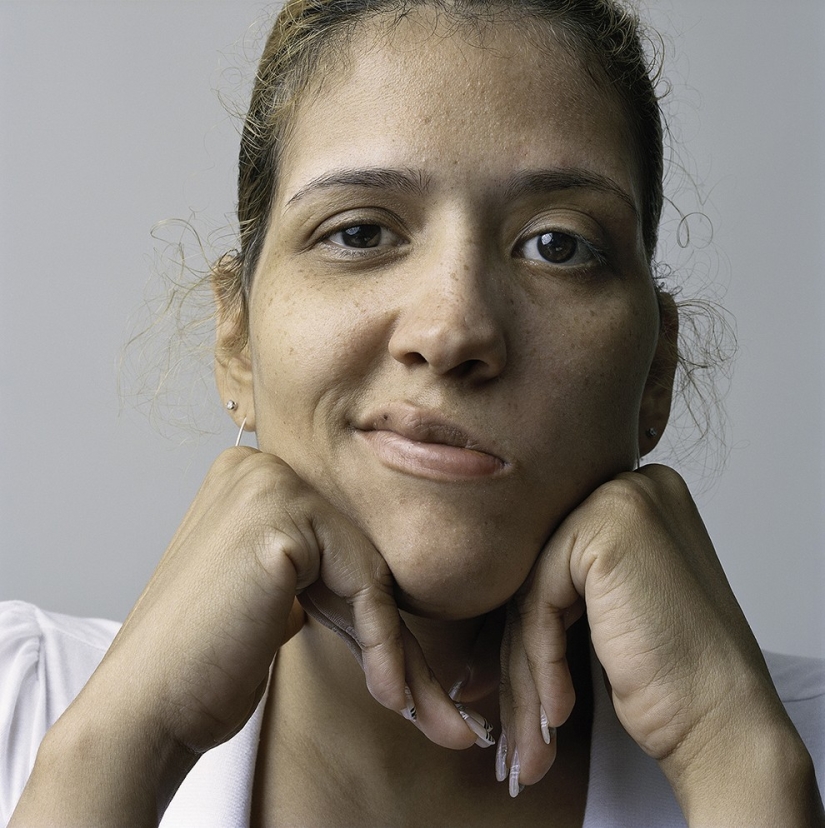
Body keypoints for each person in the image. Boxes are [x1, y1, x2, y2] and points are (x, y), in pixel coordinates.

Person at [3, 0, 823, 825]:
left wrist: (736, 761)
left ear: (655, 372)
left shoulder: (779, 755)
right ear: (238, 340)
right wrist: (112, 753)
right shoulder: (17, 705)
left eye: (558, 244)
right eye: (360, 233)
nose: (452, 329)